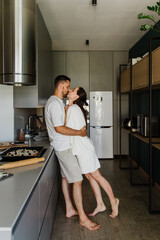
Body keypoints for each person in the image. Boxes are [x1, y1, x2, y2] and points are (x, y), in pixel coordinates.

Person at [45, 75, 100, 231]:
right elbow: (59, 128)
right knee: (77, 181)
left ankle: (69, 208)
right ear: (61, 86)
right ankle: (83, 218)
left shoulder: (54, 102)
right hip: (64, 147)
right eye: (68, 87)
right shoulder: (55, 104)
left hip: (61, 145)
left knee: (65, 178)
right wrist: (79, 133)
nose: (68, 89)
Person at [65, 87, 119, 218]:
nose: (70, 90)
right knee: (90, 176)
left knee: (97, 175)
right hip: (82, 148)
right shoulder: (74, 108)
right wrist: (68, 106)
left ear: (76, 97)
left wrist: (68, 107)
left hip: (83, 149)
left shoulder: (73, 109)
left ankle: (113, 201)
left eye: (73, 90)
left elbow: (64, 126)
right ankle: (100, 204)